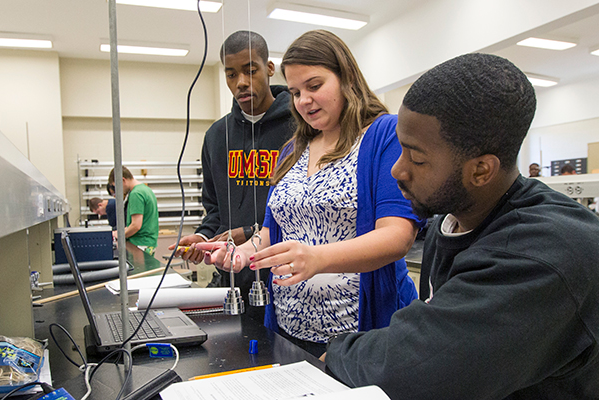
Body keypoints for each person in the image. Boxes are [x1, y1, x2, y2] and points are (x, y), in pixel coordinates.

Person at [322, 53, 599, 399]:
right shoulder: (453, 219)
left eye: (417, 158)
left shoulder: (544, 253)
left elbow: (419, 368)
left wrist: (337, 351)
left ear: (481, 170)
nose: (397, 170)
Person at [189, 30, 425, 357]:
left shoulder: (384, 134)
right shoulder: (294, 148)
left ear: (346, 79)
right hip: (288, 328)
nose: (303, 101)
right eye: (296, 92)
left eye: (314, 86)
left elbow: (397, 238)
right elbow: (274, 231)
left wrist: (317, 258)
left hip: (357, 337)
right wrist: (242, 254)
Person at [169, 31, 294, 318]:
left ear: (270, 69)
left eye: (251, 70)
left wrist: (249, 232)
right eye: (231, 74)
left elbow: (305, 212)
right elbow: (214, 209)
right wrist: (203, 237)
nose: (241, 82)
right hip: (233, 282)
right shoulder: (216, 137)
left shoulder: (298, 129)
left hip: (285, 278)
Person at [108, 166, 159, 255]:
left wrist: (119, 235)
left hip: (140, 244)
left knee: (140, 269)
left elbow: (136, 225)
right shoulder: (145, 189)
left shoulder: (136, 194)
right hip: (148, 243)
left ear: (123, 180)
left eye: (117, 186)